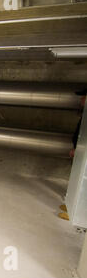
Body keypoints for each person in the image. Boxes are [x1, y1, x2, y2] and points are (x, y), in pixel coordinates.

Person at [59, 88, 87, 221]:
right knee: (77, 181)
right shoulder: (85, 113)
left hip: (84, 153)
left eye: (84, 96)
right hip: (81, 152)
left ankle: (76, 215)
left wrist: (79, 150)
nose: (81, 100)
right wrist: (76, 148)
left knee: (83, 186)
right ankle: (71, 206)